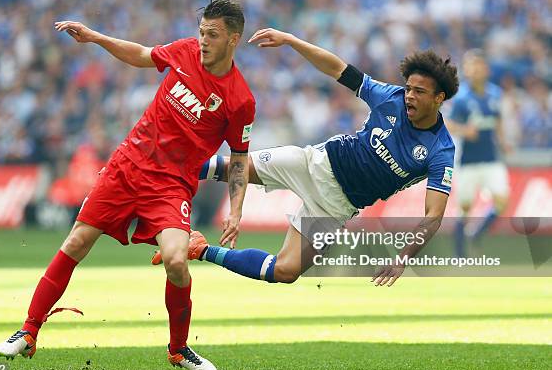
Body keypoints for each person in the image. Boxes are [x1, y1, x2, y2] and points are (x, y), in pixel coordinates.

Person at [0, 0, 256, 370]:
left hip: (170, 186)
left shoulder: (240, 99)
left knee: (177, 262)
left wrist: (236, 209)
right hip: (126, 167)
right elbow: (140, 54)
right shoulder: (183, 51)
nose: (202, 41)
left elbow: (239, 157)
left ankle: (179, 349)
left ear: (233, 39)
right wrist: (96, 37)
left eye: (212, 35)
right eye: (201, 32)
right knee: (76, 241)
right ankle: (29, 330)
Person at [152, 27, 460, 287]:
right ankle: (148, 175)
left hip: (335, 206)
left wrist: (403, 257)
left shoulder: (440, 150)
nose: (409, 96)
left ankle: (201, 249)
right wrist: (291, 40)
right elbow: (338, 69)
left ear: (439, 98)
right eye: (409, 88)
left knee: (285, 272)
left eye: (419, 92)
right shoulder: (389, 97)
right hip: (315, 164)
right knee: (228, 167)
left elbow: (433, 215)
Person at [446, 49, 510, 258]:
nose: (475, 70)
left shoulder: (495, 94)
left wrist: (503, 141)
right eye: (471, 66)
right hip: (467, 161)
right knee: (464, 206)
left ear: (486, 69)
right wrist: (466, 131)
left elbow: (497, 120)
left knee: (502, 200)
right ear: (466, 70)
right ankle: (459, 253)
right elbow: (448, 124)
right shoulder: (461, 98)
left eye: (478, 65)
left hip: (491, 157)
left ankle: (476, 232)